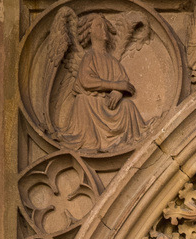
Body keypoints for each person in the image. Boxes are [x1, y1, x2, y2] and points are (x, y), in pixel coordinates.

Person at [61, 14, 145, 153]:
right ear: (90, 31)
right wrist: (117, 86)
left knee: (128, 105)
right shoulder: (89, 57)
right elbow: (86, 81)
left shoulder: (111, 60)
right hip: (90, 104)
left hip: (107, 105)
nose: (103, 30)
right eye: (99, 26)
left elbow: (124, 82)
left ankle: (128, 139)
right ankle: (91, 142)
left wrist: (118, 93)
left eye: (105, 26)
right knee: (82, 100)